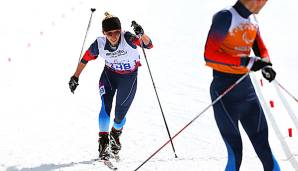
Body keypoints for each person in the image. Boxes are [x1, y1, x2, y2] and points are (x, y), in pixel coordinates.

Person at [204, 0, 280, 170]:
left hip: (246, 90)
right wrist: (245, 61)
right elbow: (209, 55)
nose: (264, 4)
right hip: (224, 92)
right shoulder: (225, 17)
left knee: (264, 149)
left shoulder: (252, 20)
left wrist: (266, 65)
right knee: (236, 154)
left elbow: (260, 48)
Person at [68, 12, 153, 160]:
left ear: (121, 30)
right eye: (109, 33)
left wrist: (142, 34)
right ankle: (103, 141)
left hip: (128, 79)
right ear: (104, 33)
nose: (114, 36)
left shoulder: (128, 38)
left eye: (116, 32)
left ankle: (115, 133)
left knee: (119, 117)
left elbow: (149, 45)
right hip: (109, 76)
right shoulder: (99, 44)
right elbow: (85, 59)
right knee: (105, 106)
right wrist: (75, 76)